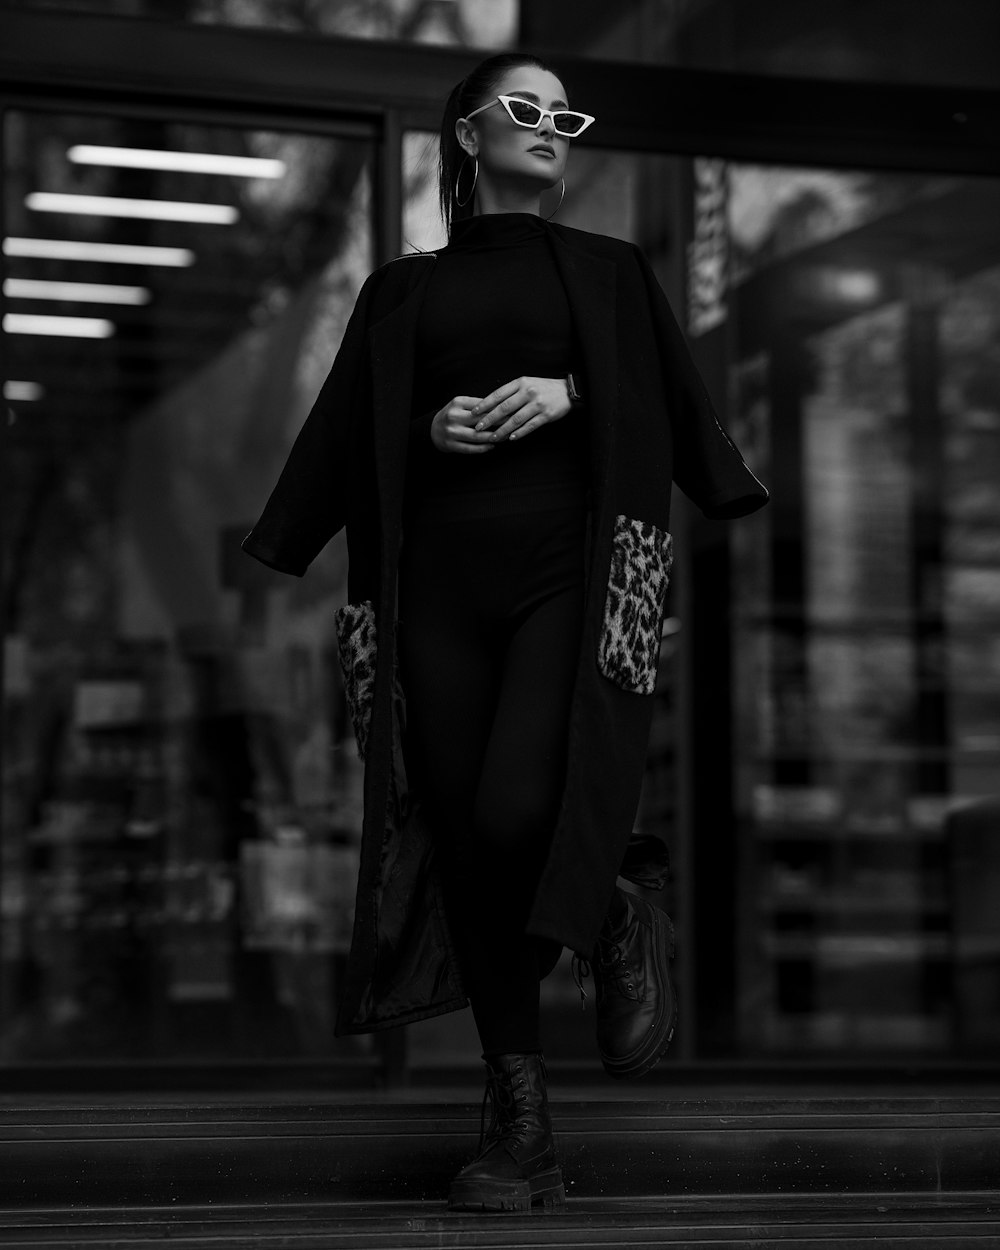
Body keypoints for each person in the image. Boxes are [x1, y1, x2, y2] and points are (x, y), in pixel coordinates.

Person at [242, 51, 768, 1213]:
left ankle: (615, 899)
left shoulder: (611, 272)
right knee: (466, 839)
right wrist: (425, 422)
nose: (551, 128)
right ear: (467, 135)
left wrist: (572, 393)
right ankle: (518, 1115)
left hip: (570, 573)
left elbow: (677, 403)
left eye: (562, 114)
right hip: (432, 584)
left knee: (516, 807)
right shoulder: (400, 292)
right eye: (523, 110)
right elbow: (347, 434)